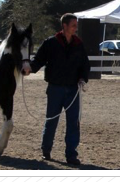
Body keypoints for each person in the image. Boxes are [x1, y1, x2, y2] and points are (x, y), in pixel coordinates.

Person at [23, 13, 91, 165]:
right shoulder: (50, 43)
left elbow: (85, 64)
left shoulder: (78, 44)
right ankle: (46, 150)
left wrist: (82, 78)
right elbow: (38, 60)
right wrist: (29, 69)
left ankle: (71, 155)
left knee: (73, 122)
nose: (76, 28)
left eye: (76, 25)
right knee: (51, 120)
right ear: (64, 26)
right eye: (73, 25)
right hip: (55, 88)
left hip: (73, 89)